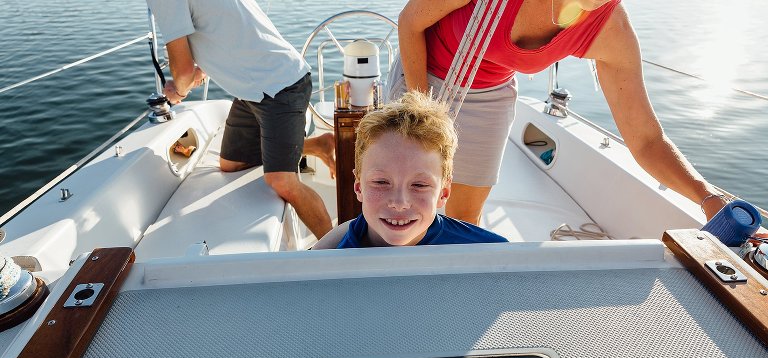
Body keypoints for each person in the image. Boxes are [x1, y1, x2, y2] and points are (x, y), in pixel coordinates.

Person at [394, 0, 731, 226]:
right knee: (404, 206)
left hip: (491, 93)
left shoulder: (609, 27)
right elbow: (410, 22)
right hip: (425, 75)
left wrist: (707, 197)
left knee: (464, 220)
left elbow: (646, 140)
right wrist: (421, 109)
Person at [146, 0, 334, 238]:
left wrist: (179, 91)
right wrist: (200, 70)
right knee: (232, 164)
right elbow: (222, 30)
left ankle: (336, 250)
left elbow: (182, 72)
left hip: (281, 85)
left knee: (282, 181)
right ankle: (318, 145)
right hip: (252, 90)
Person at [314, 91, 508, 249]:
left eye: (419, 185)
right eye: (381, 182)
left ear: (444, 192)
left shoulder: (489, 253)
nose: (399, 203)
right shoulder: (329, 260)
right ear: (358, 187)